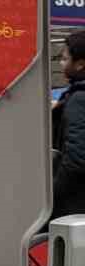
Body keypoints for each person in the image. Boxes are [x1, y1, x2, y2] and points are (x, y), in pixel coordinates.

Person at [53, 31, 85, 221]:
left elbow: (77, 159)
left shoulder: (79, 99)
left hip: (73, 206)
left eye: (65, 59)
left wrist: (51, 195)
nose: (61, 64)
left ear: (80, 64)